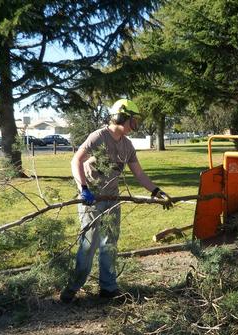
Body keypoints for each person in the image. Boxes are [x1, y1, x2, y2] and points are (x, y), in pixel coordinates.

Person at [60, 98, 172, 303]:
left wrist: (157, 191)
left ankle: (108, 289)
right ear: (122, 117)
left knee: (109, 244)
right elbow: (76, 160)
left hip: (113, 200)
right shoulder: (99, 137)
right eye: (133, 120)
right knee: (88, 244)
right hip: (91, 201)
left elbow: (139, 174)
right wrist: (83, 189)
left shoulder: (128, 145)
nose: (135, 125)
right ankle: (72, 289)